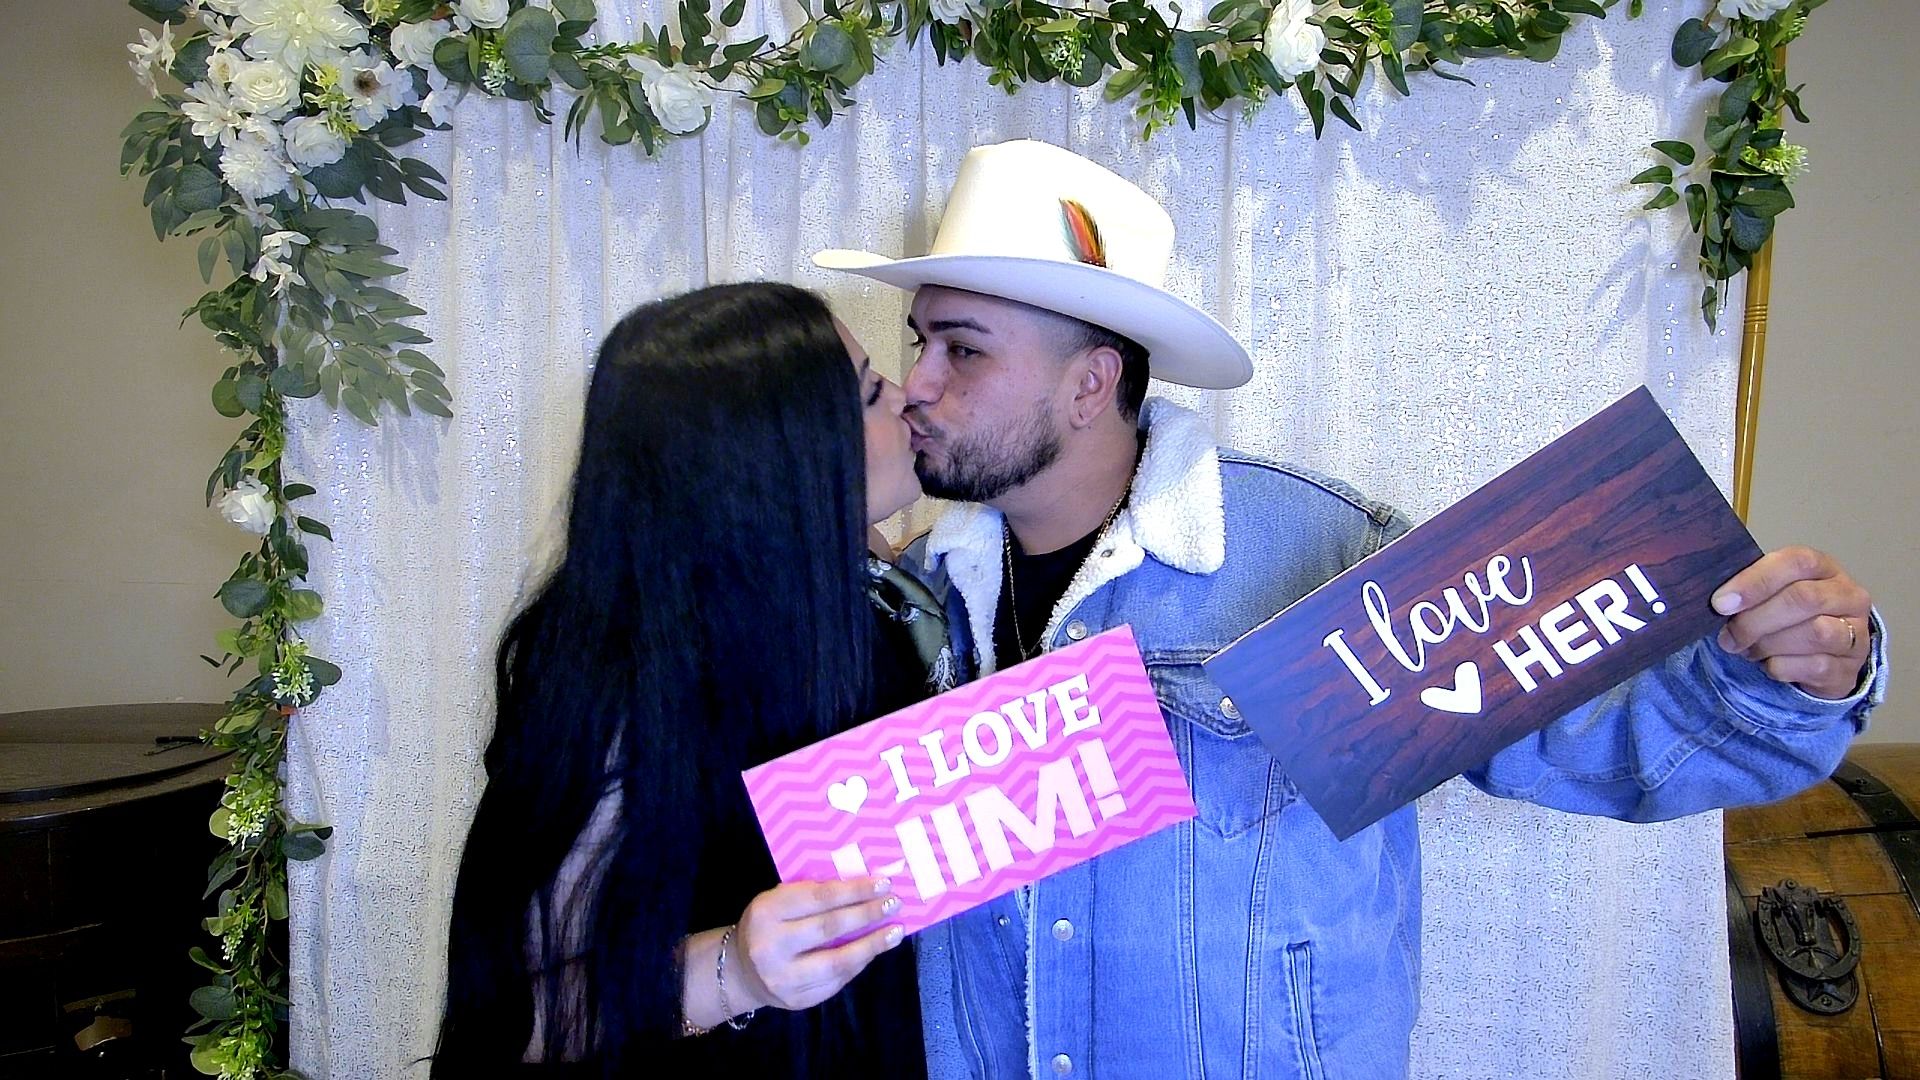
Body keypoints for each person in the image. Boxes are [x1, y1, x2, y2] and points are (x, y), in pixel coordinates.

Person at [814, 140, 1888, 1079]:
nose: (918, 385)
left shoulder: (1325, 555)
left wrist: (1786, 679)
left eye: (962, 348)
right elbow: (826, 894)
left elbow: (1589, 737)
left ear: (1091, 383)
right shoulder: (911, 598)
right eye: (918, 344)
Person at [433, 282, 951, 1077]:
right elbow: (520, 1014)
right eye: (869, 393)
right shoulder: (617, 676)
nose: (907, 399)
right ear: (782, 456)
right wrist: (735, 971)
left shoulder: (875, 588)